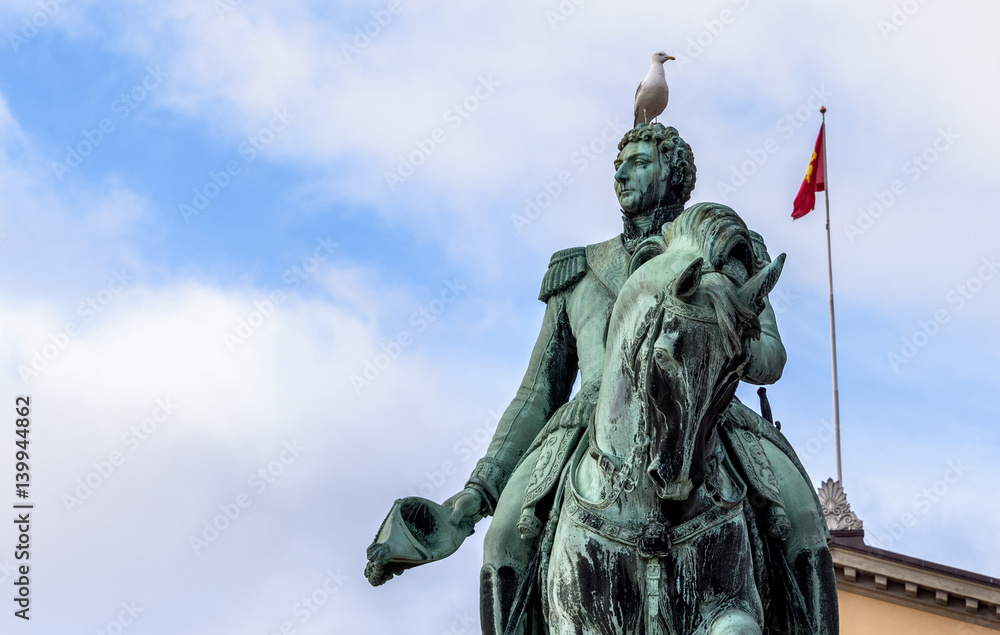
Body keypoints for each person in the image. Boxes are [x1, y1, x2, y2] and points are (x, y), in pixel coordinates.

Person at [443, 123, 836, 634]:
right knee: (502, 544)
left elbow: (772, 355)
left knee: (806, 528)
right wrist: (480, 489)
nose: (623, 173)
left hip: (710, 411)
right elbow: (537, 393)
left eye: (640, 161)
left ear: (671, 172)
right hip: (586, 423)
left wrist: (730, 343)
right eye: (618, 164)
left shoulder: (727, 252)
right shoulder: (579, 271)